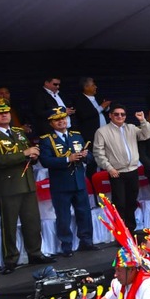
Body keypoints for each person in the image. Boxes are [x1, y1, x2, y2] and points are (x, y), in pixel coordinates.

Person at [0, 98, 54, 274]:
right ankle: (10, 259)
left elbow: (27, 151)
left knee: (32, 221)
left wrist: (33, 153)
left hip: (26, 182)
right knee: (9, 224)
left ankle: (35, 253)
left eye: (6, 112)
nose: (5, 115)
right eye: (0, 113)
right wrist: (24, 153)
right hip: (8, 185)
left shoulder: (18, 132)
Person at [37, 106, 97, 257]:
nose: (61, 121)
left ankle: (86, 241)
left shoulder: (76, 135)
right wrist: (66, 159)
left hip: (79, 180)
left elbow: (90, 158)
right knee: (63, 216)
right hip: (61, 184)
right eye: (57, 120)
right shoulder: (46, 140)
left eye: (63, 118)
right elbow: (45, 161)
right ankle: (66, 246)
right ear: (51, 123)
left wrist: (85, 156)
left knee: (84, 212)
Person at [93, 104, 150, 235]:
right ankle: (120, 232)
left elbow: (147, 135)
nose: (120, 116)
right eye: (116, 114)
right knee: (119, 204)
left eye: (122, 114)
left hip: (132, 170)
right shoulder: (102, 131)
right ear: (110, 115)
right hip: (116, 172)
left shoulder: (131, 127)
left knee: (131, 201)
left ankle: (130, 230)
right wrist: (109, 168)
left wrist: (142, 120)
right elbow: (98, 153)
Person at [71, 76, 110, 148]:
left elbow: (106, 110)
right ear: (86, 87)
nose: (96, 87)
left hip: (105, 132)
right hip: (91, 135)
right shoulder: (79, 100)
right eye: (93, 85)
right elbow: (84, 115)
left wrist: (106, 108)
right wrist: (101, 107)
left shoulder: (98, 97)